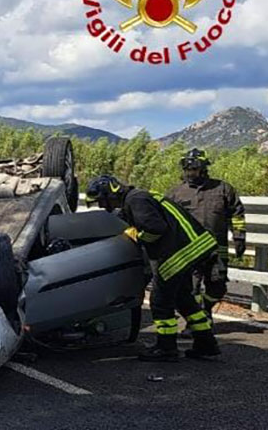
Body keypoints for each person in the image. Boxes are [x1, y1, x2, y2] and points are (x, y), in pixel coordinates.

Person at [85, 175, 220, 361]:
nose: (102, 206)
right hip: (193, 247)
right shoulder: (138, 197)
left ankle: (166, 348)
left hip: (179, 251)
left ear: (111, 194)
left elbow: (155, 229)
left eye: (101, 201)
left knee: (160, 300)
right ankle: (206, 343)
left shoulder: (136, 200)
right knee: (184, 298)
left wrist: (137, 238)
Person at [166, 148, 246, 317]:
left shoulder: (223, 189)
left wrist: (239, 237)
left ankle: (206, 307)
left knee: (218, 285)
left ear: (203, 169)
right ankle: (196, 322)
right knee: (190, 288)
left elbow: (237, 214)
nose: (190, 173)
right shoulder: (176, 193)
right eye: (187, 169)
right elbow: (166, 220)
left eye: (193, 169)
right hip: (189, 251)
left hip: (217, 249)